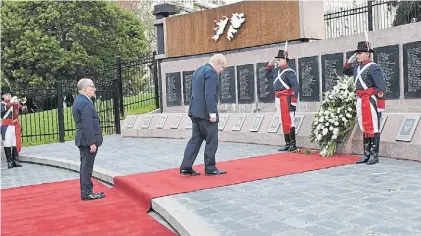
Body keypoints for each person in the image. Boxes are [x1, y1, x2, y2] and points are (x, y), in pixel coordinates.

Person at [180, 54, 228, 176]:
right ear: (218, 63)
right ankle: (210, 167)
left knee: (195, 140)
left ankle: (186, 167)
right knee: (212, 140)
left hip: (195, 112)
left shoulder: (198, 70)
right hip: (206, 114)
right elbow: (209, 94)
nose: (222, 71)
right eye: (222, 67)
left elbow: (195, 92)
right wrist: (212, 113)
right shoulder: (211, 73)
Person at [343, 41, 385, 165]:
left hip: (370, 100)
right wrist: (349, 62)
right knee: (364, 126)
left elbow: (381, 87)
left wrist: (380, 106)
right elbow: (345, 72)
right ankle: (366, 154)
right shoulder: (357, 67)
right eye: (357, 53)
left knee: (374, 127)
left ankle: (374, 155)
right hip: (360, 99)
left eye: (359, 53)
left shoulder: (373, 67)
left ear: (367, 54)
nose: (357, 56)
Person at [72, 78, 105, 200]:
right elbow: (87, 124)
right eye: (92, 86)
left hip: (83, 139)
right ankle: (87, 192)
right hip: (87, 141)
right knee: (87, 167)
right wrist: (92, 142)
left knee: (85, 166)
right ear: (85, 89)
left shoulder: (80, 100)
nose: (94, 89)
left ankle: (86, 190)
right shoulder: (85, 102)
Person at [266, 49, 299, 152]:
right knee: (282, 119)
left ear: (285, 60)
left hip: (287, 99)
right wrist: (270, 64)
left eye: (279, 60)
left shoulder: (289, 72)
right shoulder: (276, 71)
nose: (278, 62)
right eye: (277, 60)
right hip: (278, 98)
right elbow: (267, 75)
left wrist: (293, 101)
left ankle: (293, 144)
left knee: (290, 120)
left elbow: (295, 86)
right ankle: (287, 143)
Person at [1, 86, 23, 169]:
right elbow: (3, 111)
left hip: (14, 126)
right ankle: (9, 162)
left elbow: (19, 110)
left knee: (14, 143)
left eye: (10, 94)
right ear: (2, 96)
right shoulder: (1, 104)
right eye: (6, 95)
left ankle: (16, 161)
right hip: (6, 127)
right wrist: (11, 102)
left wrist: (22, 105)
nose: (9, 96)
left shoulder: (13, 104)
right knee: (7, 143)